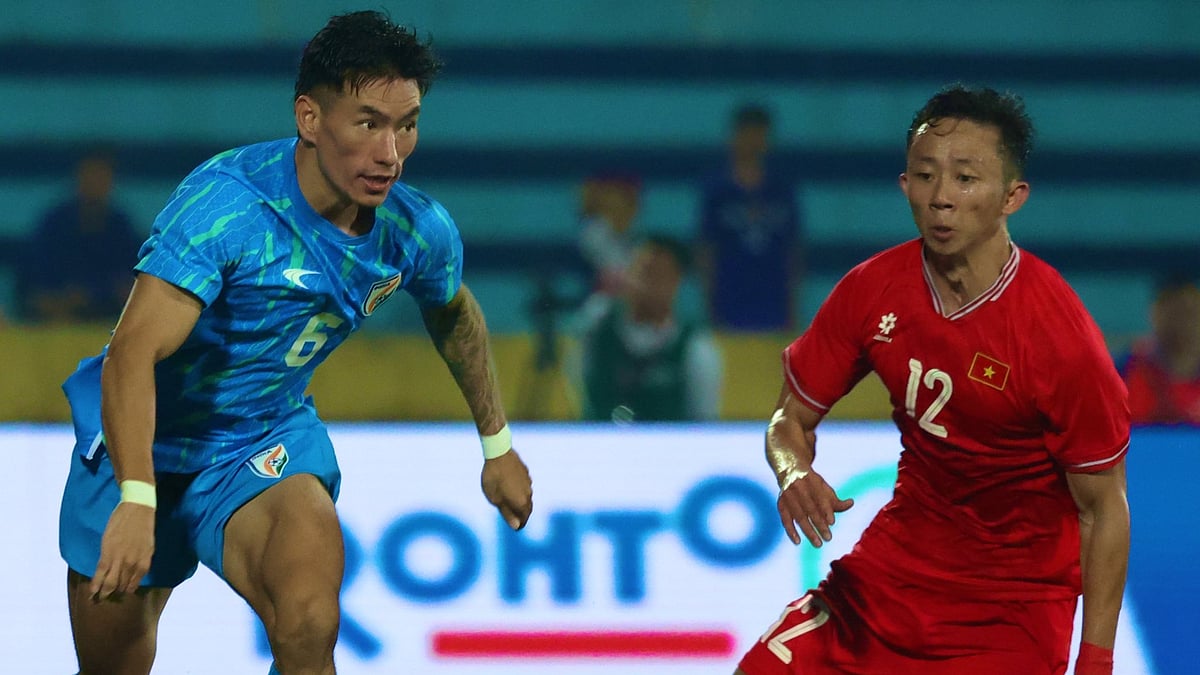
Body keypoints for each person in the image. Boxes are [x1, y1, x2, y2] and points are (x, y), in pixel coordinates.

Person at [57, 11, 533, 675]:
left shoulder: (415, 229)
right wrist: (137, 497)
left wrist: (497, 443)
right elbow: (132, 353)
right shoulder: (228, 207)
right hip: (140, 443)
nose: (390, 154)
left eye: (406, 125)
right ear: (310, 117)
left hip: (262, 442)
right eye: (368, 123)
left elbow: (454, 312)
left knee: (309, 622)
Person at [736, 85, 1130, 675]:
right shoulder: (872, 289)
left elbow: (1104, 509)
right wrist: (792, 470)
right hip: (889, 579)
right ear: (905, 185)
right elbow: (789, 418)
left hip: (1009, 610)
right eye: (925, 176)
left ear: (1012, 197)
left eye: (965, 179)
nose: (941, 198)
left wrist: (1095, 662)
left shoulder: (1059, 337)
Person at [577, 234, 722, 422]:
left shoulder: (696, 348)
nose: (646, 284)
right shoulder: (596, 331)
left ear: (676, 282)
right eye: (641, 272)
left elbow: (704, 422)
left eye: (658, 275)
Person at [696, 103, 801, 332]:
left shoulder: (782, 191)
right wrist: (710, 310)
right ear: (734, 136)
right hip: (729, 302)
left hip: (774, 304)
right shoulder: (717, 192)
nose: (753, 142)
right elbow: (707, 252)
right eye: (747, 134)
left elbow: (792, 252)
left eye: (759, 135)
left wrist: (793, 311)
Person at [18, 150, 143, 324]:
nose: (95, 183)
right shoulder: (54, 225)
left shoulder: (120, 226)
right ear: (77, 178)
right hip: (56, 315)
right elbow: (33, 282)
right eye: (89, 175)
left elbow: (130, 281)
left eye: (101, 177)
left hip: (108, 316)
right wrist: (64, 299)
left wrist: (97, 295)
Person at [1118, 276, 1200, 424]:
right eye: (1173, 312)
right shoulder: (1127, 369)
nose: (1181, 322)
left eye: (1188, 311)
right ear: (1154, 314)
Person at [577, 172, 642, 296]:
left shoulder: (635, 232)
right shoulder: (594, 233)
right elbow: (616, 271)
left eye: (630, 198)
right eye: (623, 196)